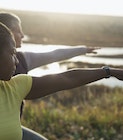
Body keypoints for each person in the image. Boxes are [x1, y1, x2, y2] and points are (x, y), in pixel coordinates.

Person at [0, 22, 123, 140]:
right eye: (12, 53)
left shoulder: (14, 87)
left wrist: (108, 72)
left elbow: (67, 78)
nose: (17, 61)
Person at [0, 12, 100, 140]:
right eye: (18, 31)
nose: (23, 35)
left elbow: (54, 56)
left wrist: (83, 50)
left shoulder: (24, 60)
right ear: (7, 32)